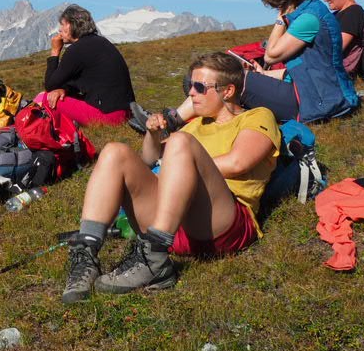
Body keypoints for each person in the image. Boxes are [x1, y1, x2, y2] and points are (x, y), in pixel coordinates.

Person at [62, 52, 280, 302]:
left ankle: (153, 256)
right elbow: (148, 161)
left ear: (228, 91)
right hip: (175, 227)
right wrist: (153, 136)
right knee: (114, 152)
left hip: (225, 225)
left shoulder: (257, 116)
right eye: (190, 86)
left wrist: (183, 163)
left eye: (199, 87)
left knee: (180, 142)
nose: (191, 94)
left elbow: (239, 162)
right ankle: (85, 256)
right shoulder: (196, 125)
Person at [148, 0, 358, 129]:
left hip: (318, 101)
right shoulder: (311, 12)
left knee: (228, 79)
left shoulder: (308, 18)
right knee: (231, 77)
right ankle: (179, 118)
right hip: (315, 93)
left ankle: (172, 122)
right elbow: (309, 67)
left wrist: (280, 20)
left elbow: (271, 56)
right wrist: (264, 76)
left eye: (277, 4)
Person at [36, 4, 135, 127]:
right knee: (57, 95)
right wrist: (64, 90)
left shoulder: (77, 49)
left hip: (108, 116)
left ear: (72, 25)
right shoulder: (101, 42)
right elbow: (79, 81)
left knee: (44, 98)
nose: (59, 30)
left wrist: (55, 51)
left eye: (62, 24)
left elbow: (50, 85)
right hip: (127, 112)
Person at [319, 0, 364, 76]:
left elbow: (334, 50)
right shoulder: (338, 14)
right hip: (324, 70)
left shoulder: (353, 13)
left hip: (335, 73)